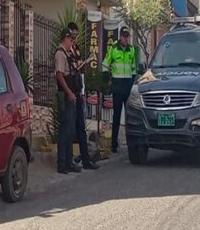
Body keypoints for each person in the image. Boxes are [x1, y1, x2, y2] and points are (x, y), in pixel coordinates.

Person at [67, 22, 99, 170]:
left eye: (75, 35)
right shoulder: (65, 51)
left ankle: (86, 160)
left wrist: (84, 64)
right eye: (72, 35)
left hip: (78, 91)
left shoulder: (77, 48)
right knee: (70, 128)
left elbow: (79, 67)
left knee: (81, 128)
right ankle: (68, 161)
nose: (74, 38)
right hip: (70, 92)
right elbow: (68, 70)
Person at [102, 27, 138, 153]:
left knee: (130, 117)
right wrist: (109, 81)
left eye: (127, 36)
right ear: (120, 37)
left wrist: (132, 82)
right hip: (117, 87)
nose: (126, 38)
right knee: (116, 117)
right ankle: (114, 145)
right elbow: (104, 65)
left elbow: (134, 69)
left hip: (127, 87)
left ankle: (131, 143)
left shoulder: (132, 50)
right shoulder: (113, 49)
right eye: (124, 36)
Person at [55, 28, 83, 174]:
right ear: (64, 39)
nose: (72, 42)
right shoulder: (60, 54)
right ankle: (62, 163)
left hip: (71, 96)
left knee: (71, 130)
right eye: (70, 40)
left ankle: (69, 161)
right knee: (65, 130)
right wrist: (69, 92)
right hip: (66, 97)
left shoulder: (67, 54)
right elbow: (59, 76)